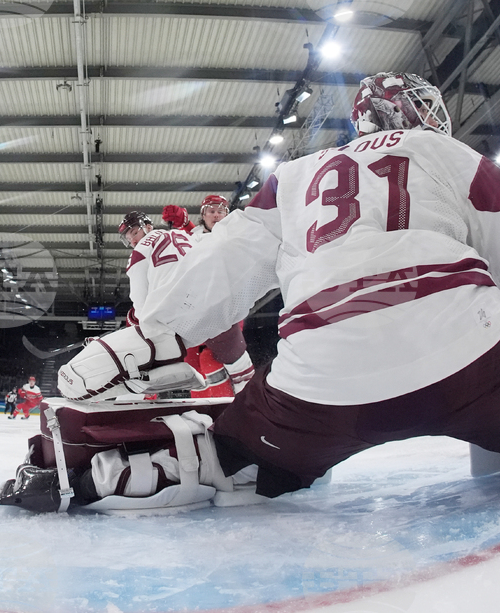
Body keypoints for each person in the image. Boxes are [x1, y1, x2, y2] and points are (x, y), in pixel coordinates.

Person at [138, 71, 500, 499]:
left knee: (241, 462)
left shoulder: (291, 177)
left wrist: (153, 333)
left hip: (323, 386)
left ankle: (172, 474)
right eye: (420, 104)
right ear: (397, 109)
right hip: (470, 359)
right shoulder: (443, 150)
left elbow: (216, 271)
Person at [118, 211, 254, 395]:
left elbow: (139, 298)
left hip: (184, 317)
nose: (133, 241)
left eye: (134, 233)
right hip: (214, 299)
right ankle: (251, 394)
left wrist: (141, 325)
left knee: (193, 368)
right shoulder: (183, 234)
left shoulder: (138, 254)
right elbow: (214, 251)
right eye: (129, 238)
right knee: (237, 364)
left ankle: (148, 395)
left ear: (148, 226)